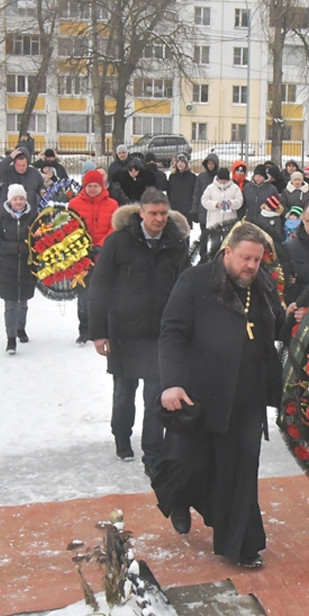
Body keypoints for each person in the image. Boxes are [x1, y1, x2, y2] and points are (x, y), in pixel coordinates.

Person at [155, 222, 285, 568]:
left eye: (257, 260)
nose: (252, 267)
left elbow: (273, 325)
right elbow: (173, 333)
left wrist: (293, 318)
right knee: (186, 464)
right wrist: (171, 382)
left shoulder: (261, 285)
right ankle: (180, 498)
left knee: (240, 471)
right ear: (228, 252)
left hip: (247, 395)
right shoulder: (195, 281)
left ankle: (243, 545)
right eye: (246, 258)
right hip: (200, 393)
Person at [90, 189, 189, 474]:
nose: (158, 219)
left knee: (157, 397)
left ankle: (153, 453)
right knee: (124, 393)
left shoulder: (177, 244)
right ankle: (121, 436)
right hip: (124, 332)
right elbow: (99, 288)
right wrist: (98, 332)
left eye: (163, 214)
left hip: (162, 334)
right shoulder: (118, 242)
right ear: (141, 213)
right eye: (153, 213)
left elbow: (186, 289)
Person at [70, 169, 119, 343]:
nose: (92, 189)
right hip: (81, 257)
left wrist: (101, 245)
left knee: (103, 293)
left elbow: (115, 227)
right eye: (89, 186)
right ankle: (84, 329)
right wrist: (81, 246)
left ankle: (103, 328)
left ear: (101, 186)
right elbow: (70, 227)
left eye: (95, 186)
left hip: (103, 256)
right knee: (83, 293)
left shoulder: (112, 205)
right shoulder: (74, 204)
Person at [0, 185, 37, 354]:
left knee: (23, 302)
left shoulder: (33, 216)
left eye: (21, 199)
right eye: (15, 199)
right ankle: (11, 339)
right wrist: (16, 248)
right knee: (10, 304)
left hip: (26, 266)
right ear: (10, 200)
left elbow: (40, 237)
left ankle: (20, 328)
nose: (19, 202)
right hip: (7, 266)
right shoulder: (1, 218)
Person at [0, 146, 46, 213]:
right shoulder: (8, 171)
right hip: (9, 214)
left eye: (23, 165)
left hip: (29, 213)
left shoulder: (34, 173)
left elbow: (40, 185)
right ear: (14, 163)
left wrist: (42, 190)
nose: (21, 168)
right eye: (18, 165)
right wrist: (9, 158)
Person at [193, 153, 221, 232]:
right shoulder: (201, 177)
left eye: (212, 163)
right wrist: (194, 210)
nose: (210, 165)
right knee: (204, 237)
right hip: (203, 211)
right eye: (209, 163)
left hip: (216, 212)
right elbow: (197, 194)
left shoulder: (220, 177)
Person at [167, 153, 197, 223]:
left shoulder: (192, 177)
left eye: (182, 162)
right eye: (178, 162)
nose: (180, 164)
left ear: (186, 164)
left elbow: (195, 192)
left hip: (186, 208)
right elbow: (169, 191)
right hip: (174, 207)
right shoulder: (172, 176)